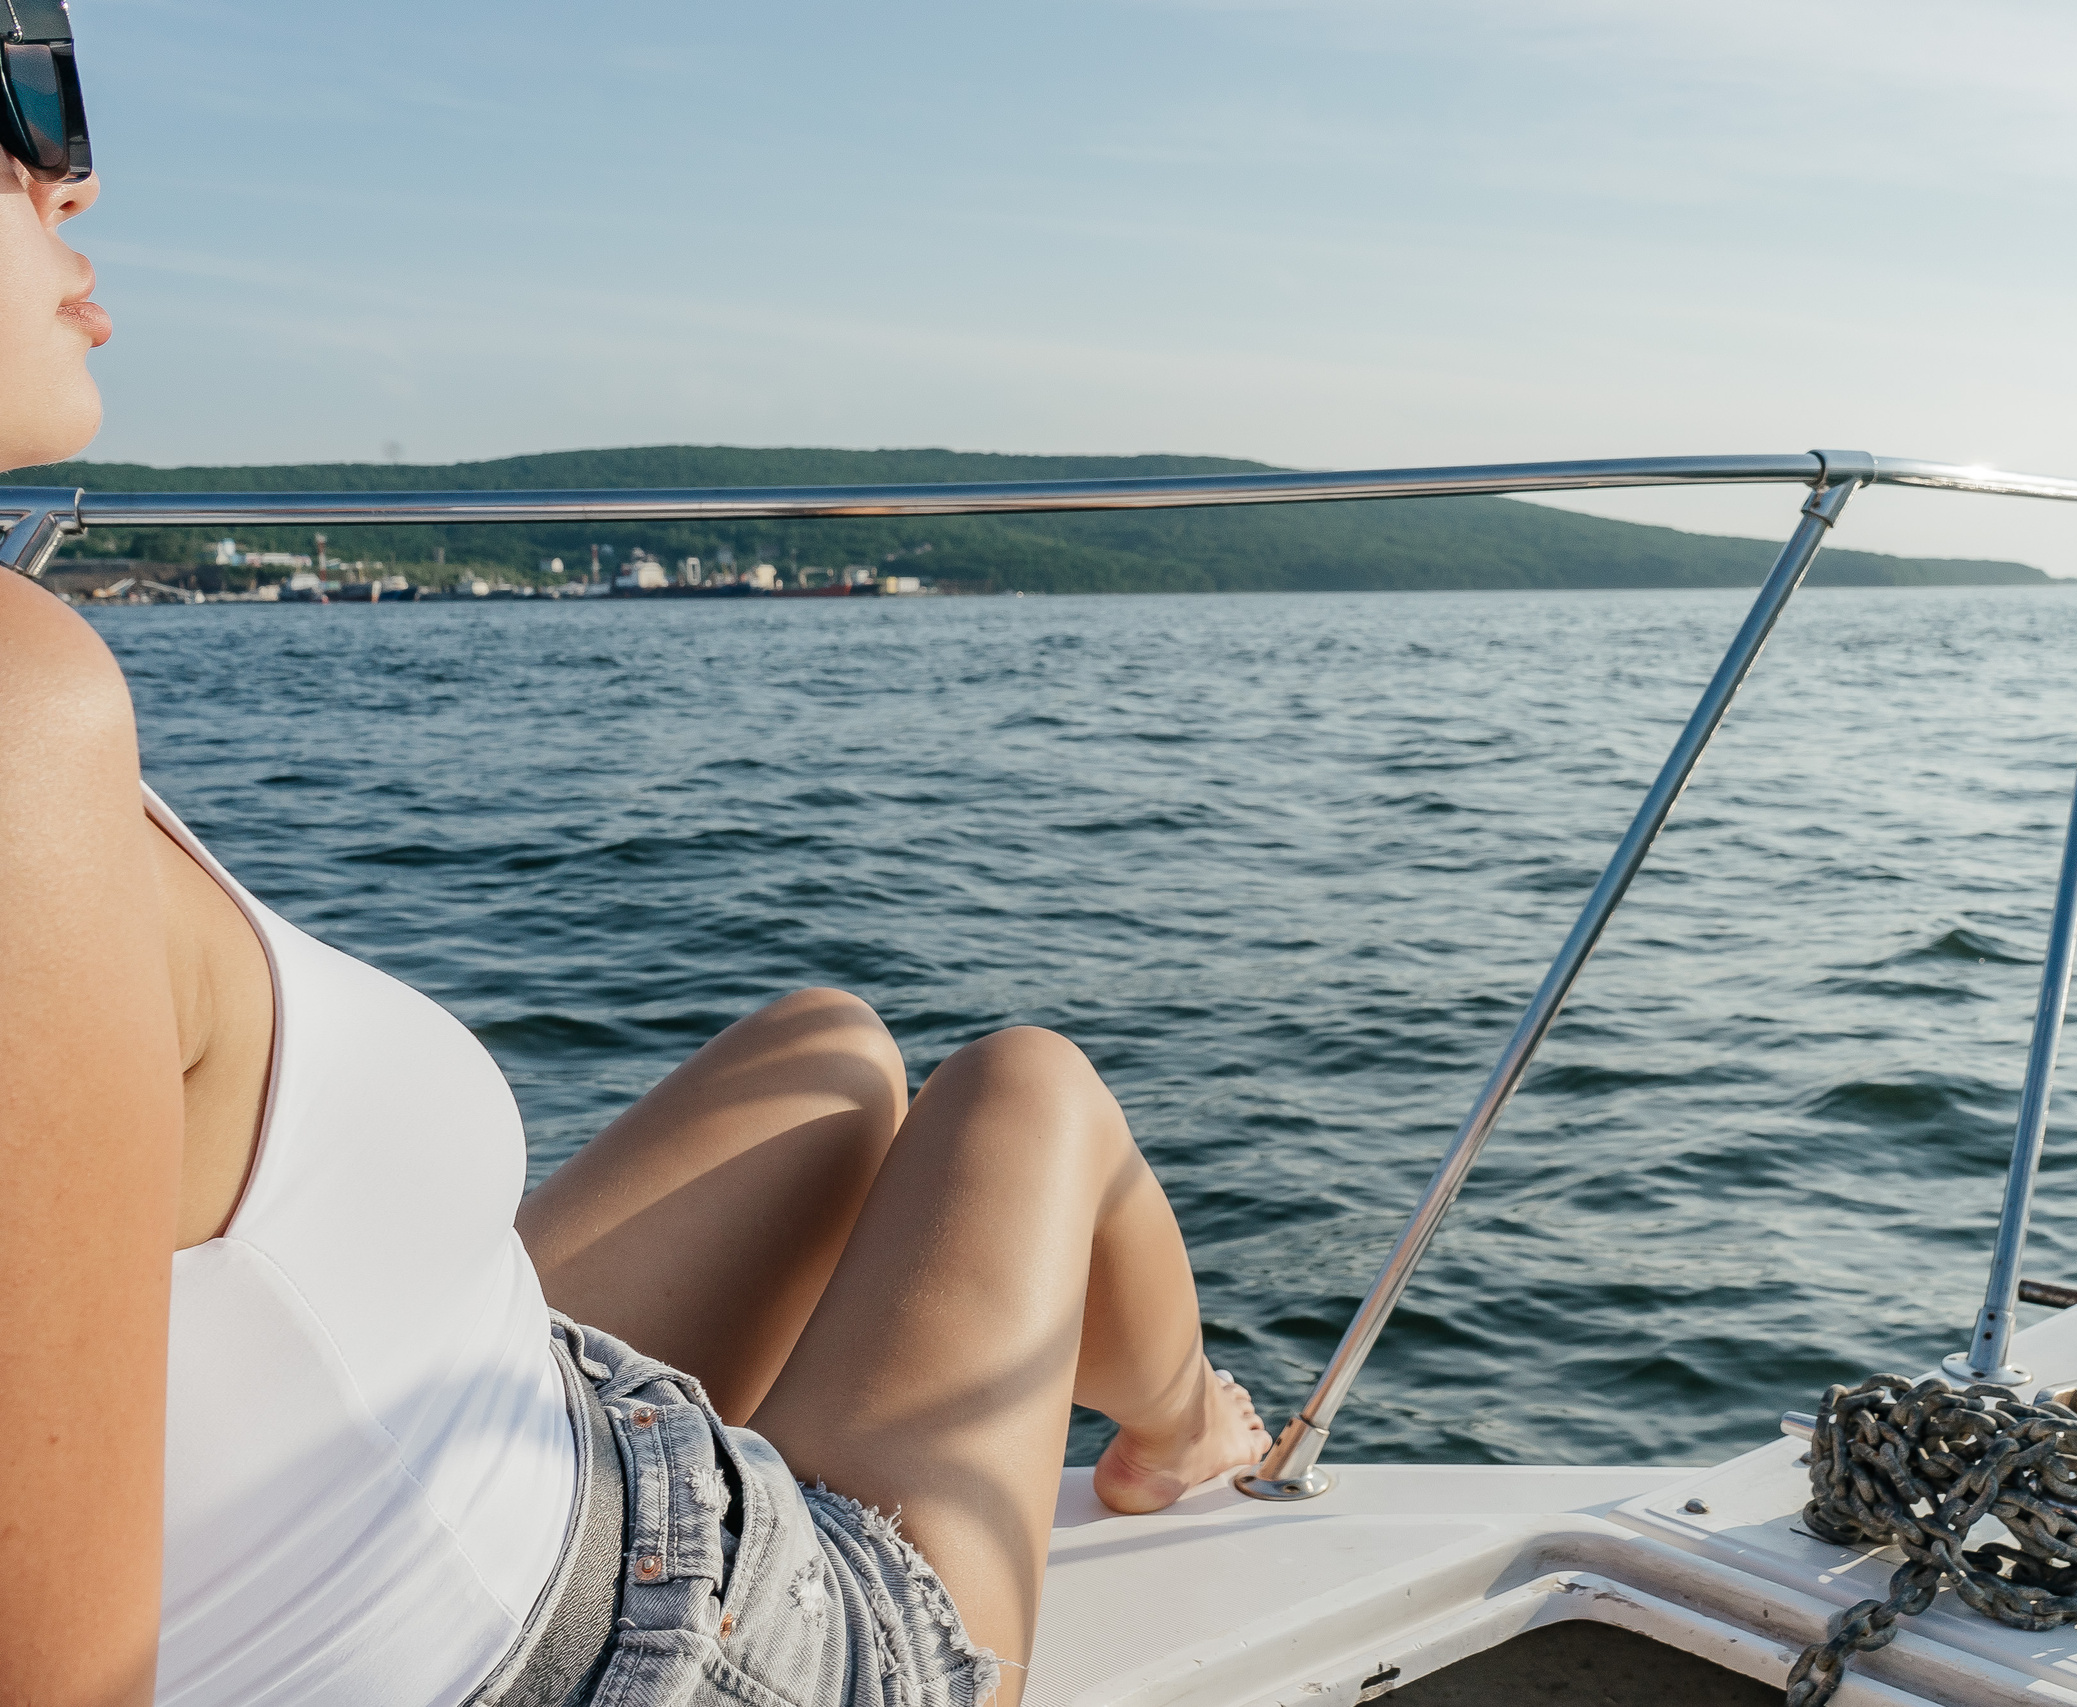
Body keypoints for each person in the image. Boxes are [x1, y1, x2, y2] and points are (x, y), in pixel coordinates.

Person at [0, 19, 1268, 1707]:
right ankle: (1187, 1433)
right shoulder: (19, 723)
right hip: (655, 1661)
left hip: (490, 1453)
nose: (70, 167)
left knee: (826, 1057)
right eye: (14, 78)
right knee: (1029, 1095)